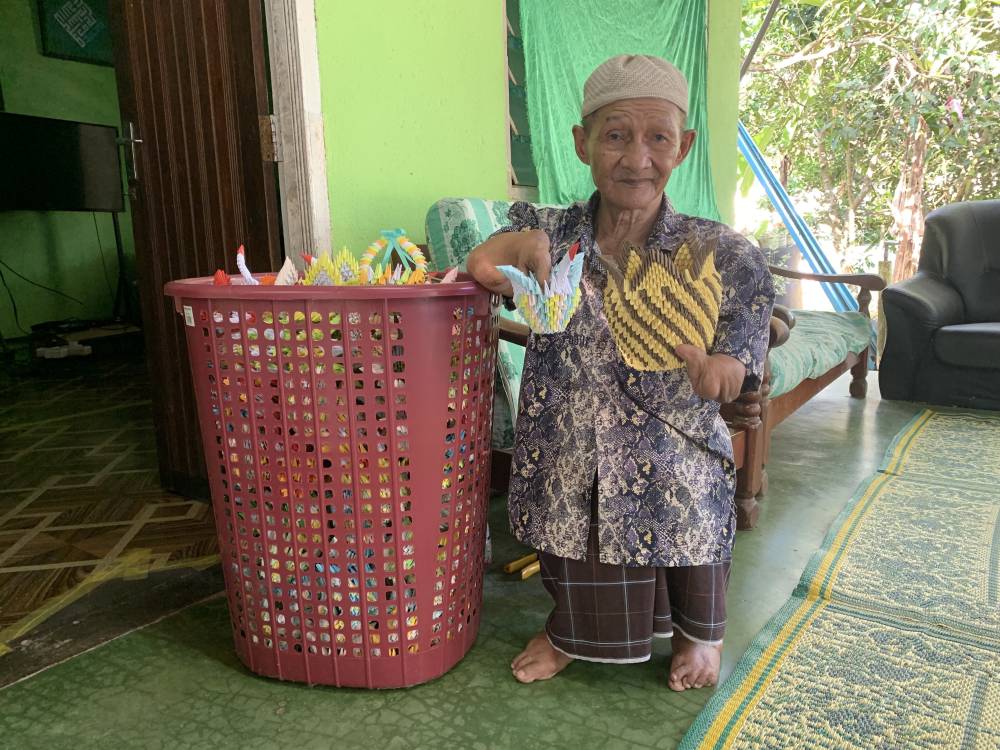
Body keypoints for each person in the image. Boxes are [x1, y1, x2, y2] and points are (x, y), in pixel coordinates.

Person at [467, 54, 775, 691]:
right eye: (615, 135)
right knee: (570, 481)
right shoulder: (549, 230)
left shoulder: (722, 250)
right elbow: (481, 261)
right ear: (582, 144)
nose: (637, 158)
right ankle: (571, 632)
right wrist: (516, 251)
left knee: (685, 480)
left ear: (683, 146)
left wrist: (724, 372)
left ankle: (697, 631)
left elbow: (743, 354)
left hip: (675, 437)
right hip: (569, 438)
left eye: (657, 137)